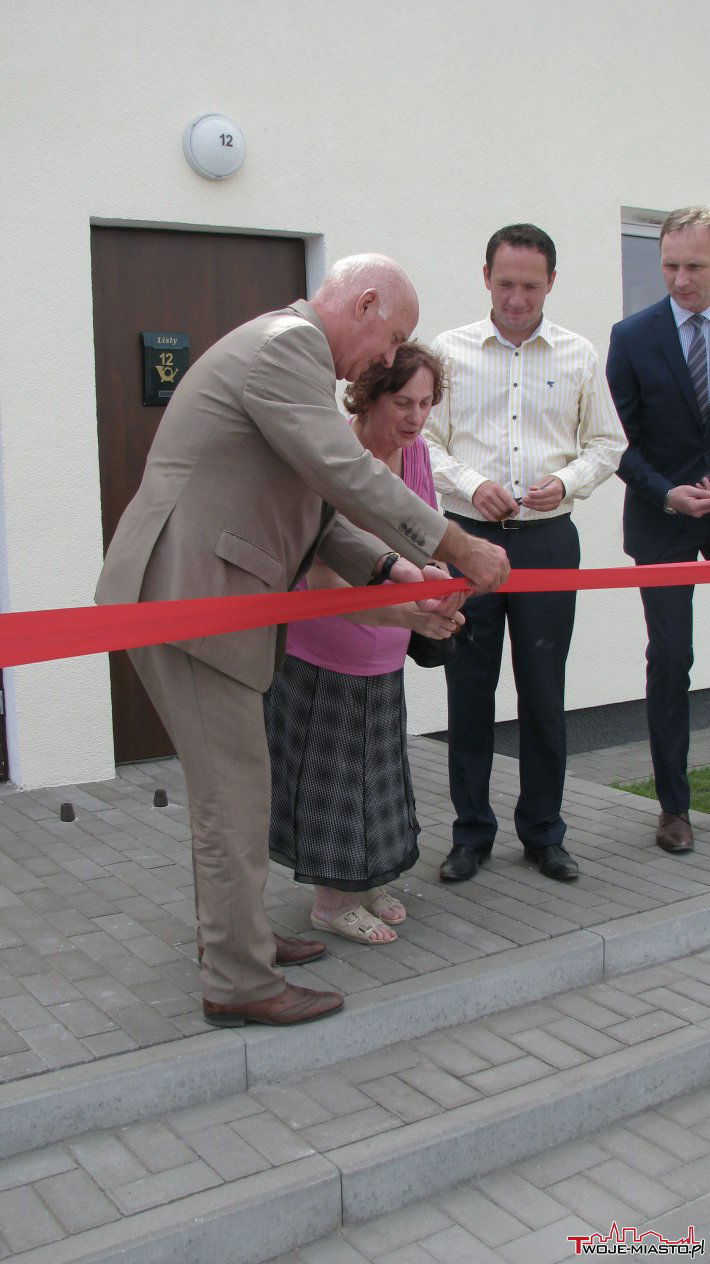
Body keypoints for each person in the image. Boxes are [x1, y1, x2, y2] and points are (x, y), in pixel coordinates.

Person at [96, 253, 510, 1028]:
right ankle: (239, 980)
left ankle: (237, 939)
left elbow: (318, 511)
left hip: (201, 600)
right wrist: (456, 544)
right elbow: (347, 472)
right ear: (362, 303)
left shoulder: (288, 361)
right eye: (392, 338)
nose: (389, 358)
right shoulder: (285, 347)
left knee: (233, 796)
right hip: (190, 603)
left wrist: (392, 569)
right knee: (234, 800)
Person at [425, 224, 625, 885]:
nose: (516, 299)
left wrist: (566, 482)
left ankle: (544, 833)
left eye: (530, 286)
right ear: (485, 277)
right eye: (505, 283)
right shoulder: (448, 352)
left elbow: (607, 443)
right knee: (468, 689)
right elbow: (422, 440)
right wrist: (469, 484)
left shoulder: (578, 354)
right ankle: (470, 835)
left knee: (543, 690)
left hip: (546, 541)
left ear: (552, 283)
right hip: (465, 539)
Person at [265, 342, 459, 945]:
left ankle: (368, 882)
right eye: (403, 403)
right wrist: (410, 614)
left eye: (426, 403)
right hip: (325, 650)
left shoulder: (416, 454)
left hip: (385, 646)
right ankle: (331, 903)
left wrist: (440, 588)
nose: (416, 418)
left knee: (377, 777)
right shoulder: (336, 460)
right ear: (367, 397)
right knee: (332, 781)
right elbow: (325, 581)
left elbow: (424, 544)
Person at [607, 206, 710, 855]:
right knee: (671, 660)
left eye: (695, 266)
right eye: (670, 265)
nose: (680, 279)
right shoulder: (633, 336)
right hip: (662, 519)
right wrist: (666, 493)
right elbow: (616, 440)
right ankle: (674, 808)